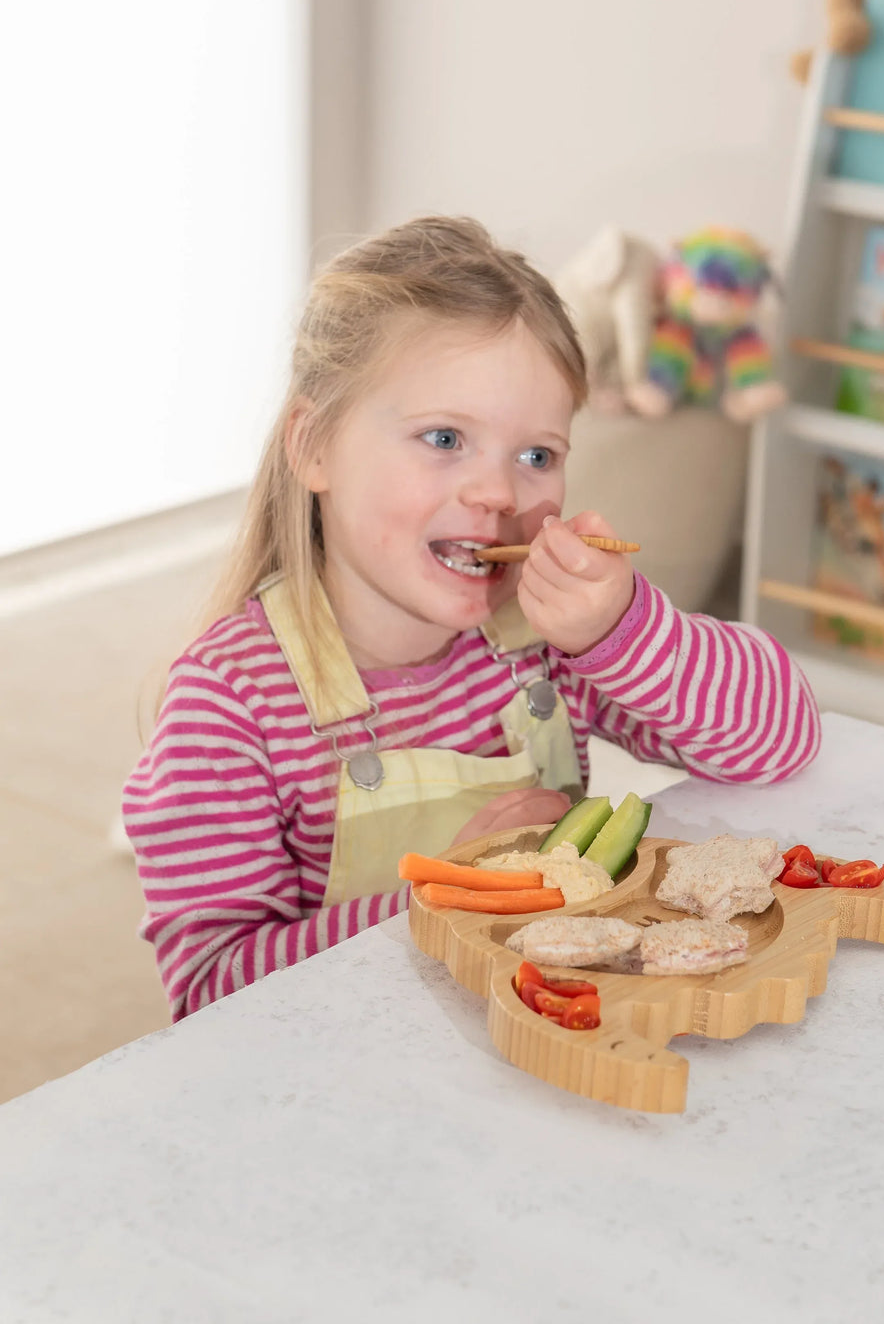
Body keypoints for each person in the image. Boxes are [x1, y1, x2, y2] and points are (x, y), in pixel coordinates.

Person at [123, 216, 820, 1020]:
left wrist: (623, 632)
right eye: (445, 437)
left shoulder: (543, 648)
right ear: (314, 447)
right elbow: (212, 996)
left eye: (536, 456)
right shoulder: (227, 706)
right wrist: (452, 893)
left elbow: (781, 741)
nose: (498, 492)